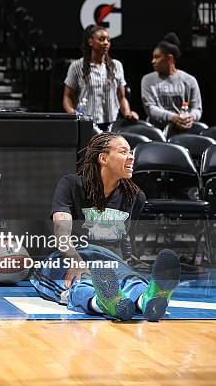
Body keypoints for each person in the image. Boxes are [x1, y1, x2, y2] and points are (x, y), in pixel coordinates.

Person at [30, 132, 180, 321]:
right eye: (124, 151)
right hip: (67, 258)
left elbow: (124, 243)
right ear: (103, 158)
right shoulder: (71, 184)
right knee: (81, 282)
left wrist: (125, 265)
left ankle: (148, 299)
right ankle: (105, 302)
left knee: (129, 279)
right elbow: (61, 229)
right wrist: (75, 261)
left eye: (131, 152)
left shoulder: (135, 197)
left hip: (107, 261)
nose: (132, 156)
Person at [63, 25, 138, 129]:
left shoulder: (116, 66)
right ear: (90, 42)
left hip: (112, 123)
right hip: (87, 124)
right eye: (101, 39)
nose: (106, 43)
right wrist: (73, 113)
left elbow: (121, 97)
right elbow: (68, 96)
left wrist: (128, 113)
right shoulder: (77, 66)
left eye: (108, 40)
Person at [141, 33, 202, 133]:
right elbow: (150, 109)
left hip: (184, 130)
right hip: (156, 131)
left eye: (157, 57)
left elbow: (197, 109)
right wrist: (173, 117)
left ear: (170, 58)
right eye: (153, 57)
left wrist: (191, 117)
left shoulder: (189, 80)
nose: (153, 61)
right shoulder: (148, 80)